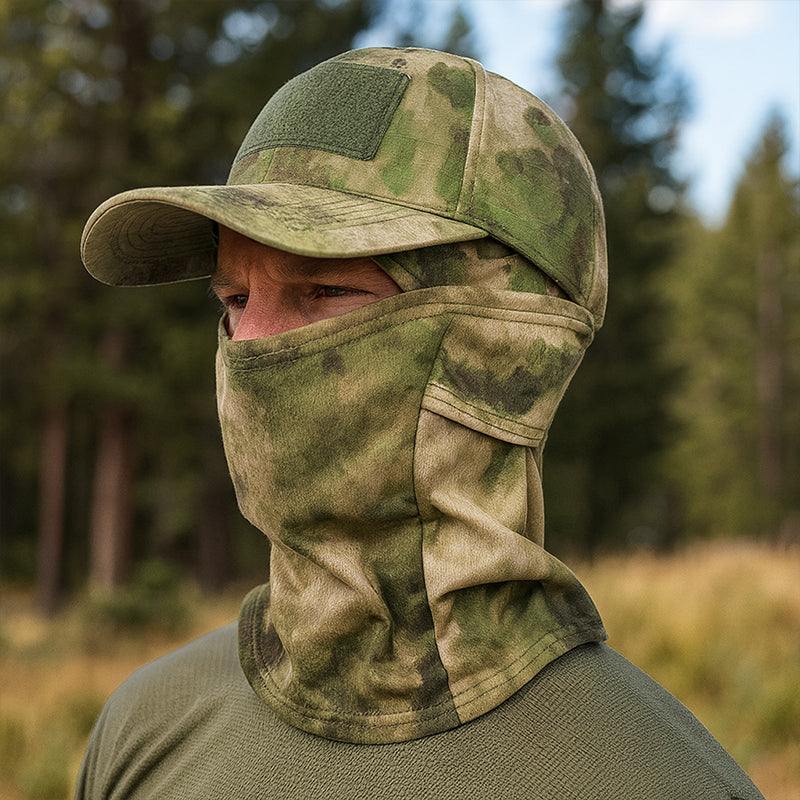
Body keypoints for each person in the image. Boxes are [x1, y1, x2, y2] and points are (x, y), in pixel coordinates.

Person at [76, 47, 764, 799]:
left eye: (326, 289)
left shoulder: (658, 781)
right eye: (235, 299)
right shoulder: (145, 730)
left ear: (513, 339)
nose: (252, 346)